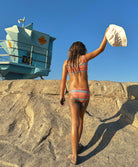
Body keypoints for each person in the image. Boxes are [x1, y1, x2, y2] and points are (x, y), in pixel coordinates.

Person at [60, 28, 108, 165]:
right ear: (82, 50)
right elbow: (101, 49)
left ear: (71, 50)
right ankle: (79, 145)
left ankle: (74, 156)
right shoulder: (84, 58)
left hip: (73, 94)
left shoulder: (66, 63)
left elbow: (63, 81)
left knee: (74, 123)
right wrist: (105, 35)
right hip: (85, 94)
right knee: (81, 120)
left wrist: (61, 95)